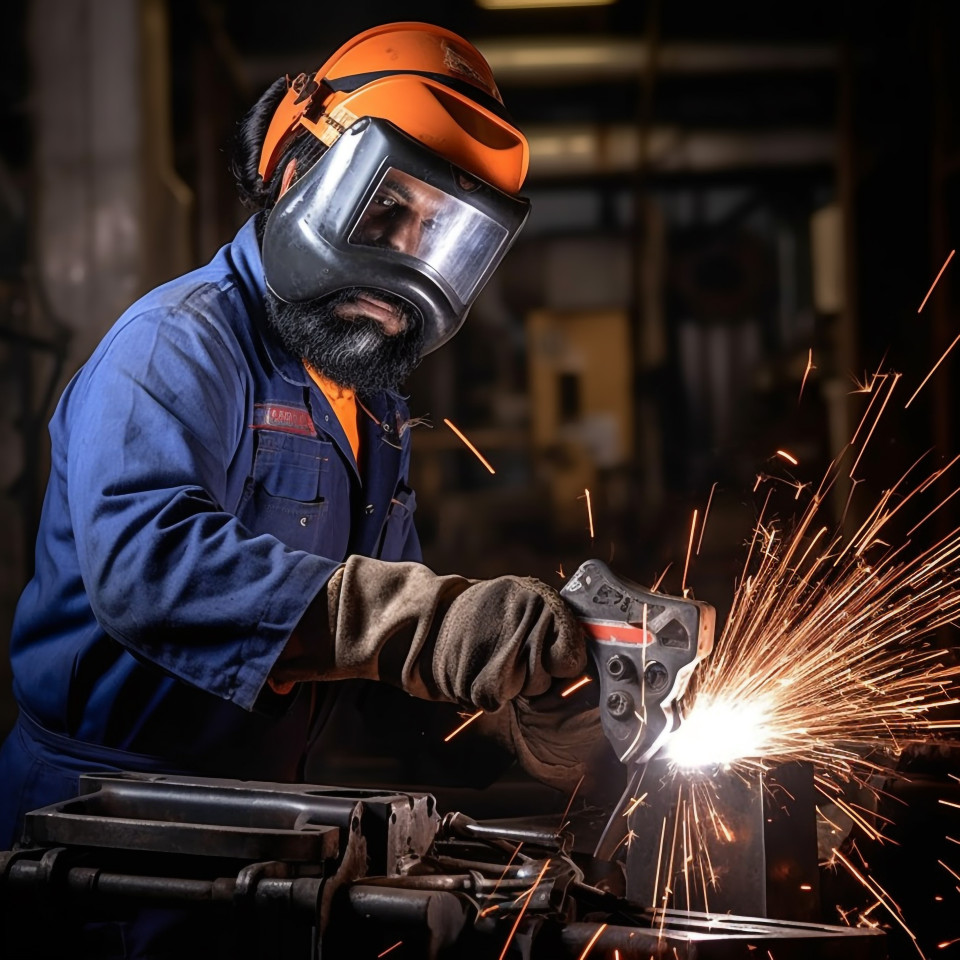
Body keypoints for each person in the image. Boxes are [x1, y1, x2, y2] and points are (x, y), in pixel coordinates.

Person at [0, 22, 601, 860]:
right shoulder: (176, 345)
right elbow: (149, 567)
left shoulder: (369, 397)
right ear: (295, 173)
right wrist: (429, 620)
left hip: (262, 823)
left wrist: (503, 712)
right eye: (386, 209)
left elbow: (377, 658)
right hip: (103, 823)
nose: (410, 265)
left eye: (442, 234)